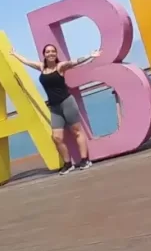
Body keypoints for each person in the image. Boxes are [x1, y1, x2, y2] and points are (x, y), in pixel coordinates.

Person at [11, 44, 100, 174]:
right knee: (57, 137)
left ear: (56, 54)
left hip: (67, 102)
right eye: (48, 51)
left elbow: (74, 62)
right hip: (54, 107)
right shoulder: (41, 67)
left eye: (53, 51)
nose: (51, 53)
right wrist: (15, 54)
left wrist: (90, 56)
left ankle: (85, 159)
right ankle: (68, 163)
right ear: (44, 54)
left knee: (76, 131)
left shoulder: (60, 67)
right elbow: (27, 62)